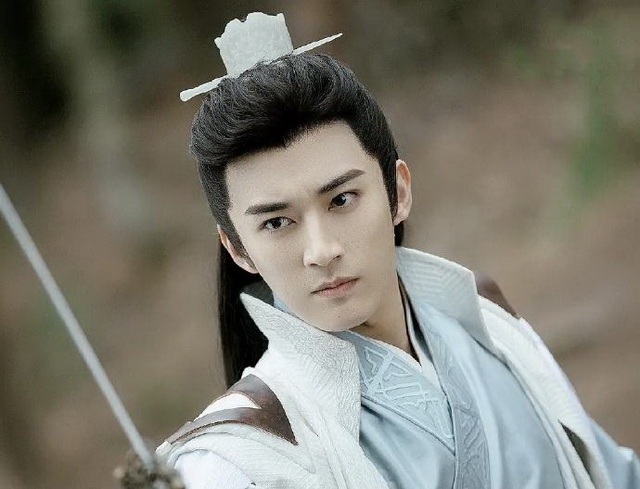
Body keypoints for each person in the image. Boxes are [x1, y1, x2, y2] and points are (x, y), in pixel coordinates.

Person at [156, 12, 639, 489]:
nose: (321, 250)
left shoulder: (486, 319)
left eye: (341, 199)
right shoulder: (238, 458)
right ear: (238, 248)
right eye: (277, 222)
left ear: (398, 190)